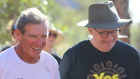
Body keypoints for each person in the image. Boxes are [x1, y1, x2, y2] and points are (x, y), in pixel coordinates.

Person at [59, 1, 140, 79]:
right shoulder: (73, 56)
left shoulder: (132, 55)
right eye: (104, 33)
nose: (110, 38)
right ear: (90, 30)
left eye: (114, 32)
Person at [0, 8, 60, 79]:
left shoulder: (51, 64)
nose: (39, 43)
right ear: (18, 34)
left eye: (43, 37)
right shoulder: (2, 62)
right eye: (33, 37)